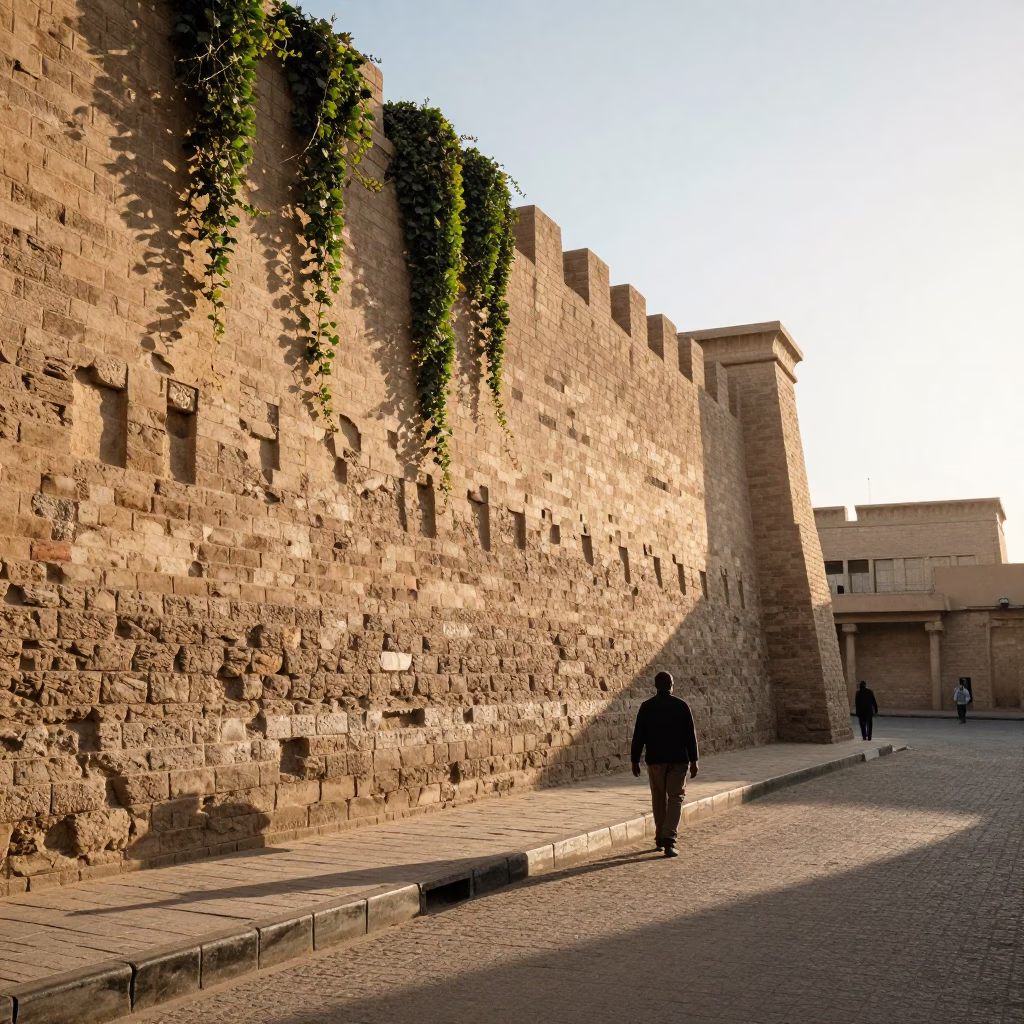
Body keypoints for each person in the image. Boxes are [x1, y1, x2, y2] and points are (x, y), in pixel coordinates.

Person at [630, 671, 699, 859]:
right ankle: (669, 838)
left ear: (656, 686)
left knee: (659, 798)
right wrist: (694, 761)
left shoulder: (646, 707)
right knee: (676, 797)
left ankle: (660, 836)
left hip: (655, 760)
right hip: (678, 760)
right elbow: (690, 736)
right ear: (671, 685)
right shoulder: (681, 706)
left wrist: (634, 760)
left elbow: (639, 736)